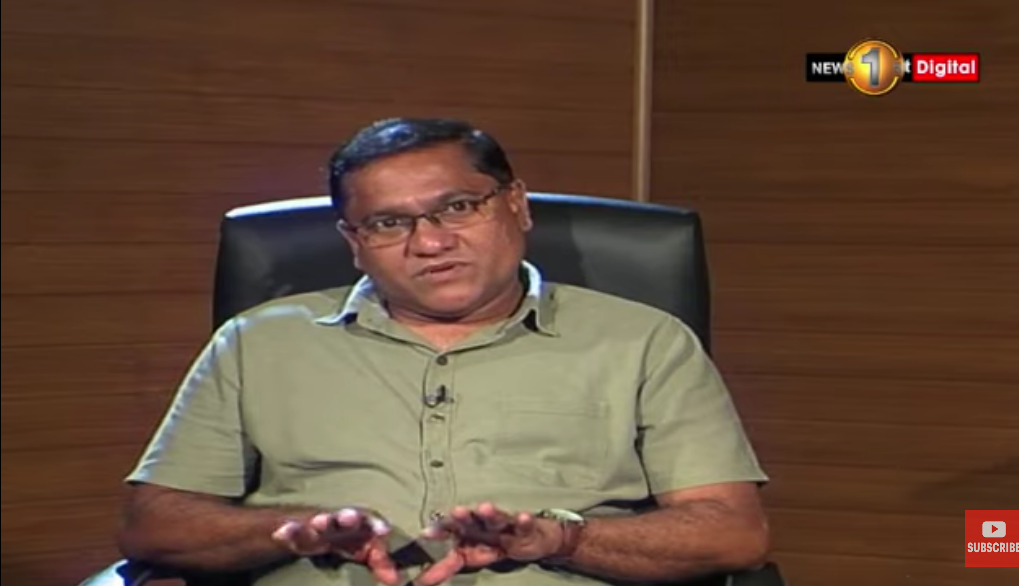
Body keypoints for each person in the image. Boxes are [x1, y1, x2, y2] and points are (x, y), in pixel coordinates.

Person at [117, 117, 770, 586]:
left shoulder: (645, 341)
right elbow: (156, 525)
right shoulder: (257, 341)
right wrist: (297, 529)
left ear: (516, 205)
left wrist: (559, 538)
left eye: (457, 207)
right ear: (354, 242)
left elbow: (731, 533)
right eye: (388, 223)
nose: (429, 243)